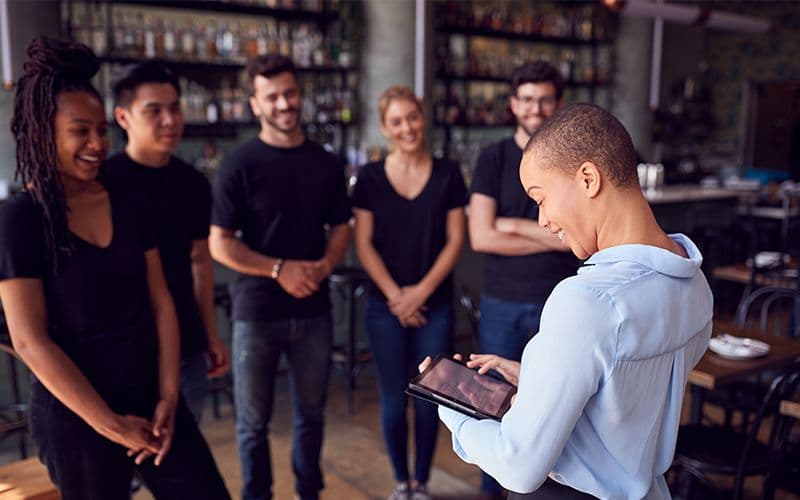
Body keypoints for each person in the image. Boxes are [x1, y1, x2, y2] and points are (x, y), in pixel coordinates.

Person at [423, 103, 713, 499]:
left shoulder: (587, 301)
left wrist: (454, 411)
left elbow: (518, 466)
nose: (542, 220)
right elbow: (628, 400)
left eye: (540, 198)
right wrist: (543, 379)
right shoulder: (694, 281)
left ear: (588, 178)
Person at [0, 37, 229, 500]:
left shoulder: (126, 200)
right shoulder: (20, 218)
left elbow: (160, 301)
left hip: (151, 395)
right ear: (43, 132)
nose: (97, 144)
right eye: (80, 131)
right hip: (76, 414)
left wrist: (167, 396)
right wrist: (111, 424)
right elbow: (29, 339)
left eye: (102, 131)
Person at [209, 54, 351, 500]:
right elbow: (220, 243)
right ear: (255, 104)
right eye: (272, 97)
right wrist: (278, 269)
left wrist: (325, 266)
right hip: (256, 312)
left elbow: (342, 227)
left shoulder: (326, 162)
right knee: (252, 424)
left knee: (311, 415)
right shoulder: (238, 164)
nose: (284, 104)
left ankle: (309, 493)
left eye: (290, 93)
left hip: (313, 310)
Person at [467, 60, 579, 499]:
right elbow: (480, 235)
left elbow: (575, 242)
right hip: (502, 302)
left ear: (558, 104)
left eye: (545, 99)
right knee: (491, 405)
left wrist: (510, 226)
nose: (535, 107)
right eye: (527, 99)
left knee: (555, 408)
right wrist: (550, 234)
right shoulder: (493, 157)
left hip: (561, 303)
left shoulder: (572, 162)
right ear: (513, 104)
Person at [352, 86, 466, 500]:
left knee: (429, 398)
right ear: (385, 129)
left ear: (424, 118)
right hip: (386, 307)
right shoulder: (368, 177)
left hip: (433, 305)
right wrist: (397, 297)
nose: (407, 128)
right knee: (392, 397)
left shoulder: (448, 173)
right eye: (396, 121)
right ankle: (402, 484)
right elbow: (362, 244)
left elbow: (456, 241)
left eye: (412, 118)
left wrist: (419, 294)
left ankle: (423, 483)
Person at [103, 61, 230, 423]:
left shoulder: (191, 182)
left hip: (185, 346)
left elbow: (200, 262)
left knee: (182, 460)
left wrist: (210, 334)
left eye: (174, 108)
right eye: (153, 111)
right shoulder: (104, 182)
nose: (170, 120)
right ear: (123, 117)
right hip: (123, 349)